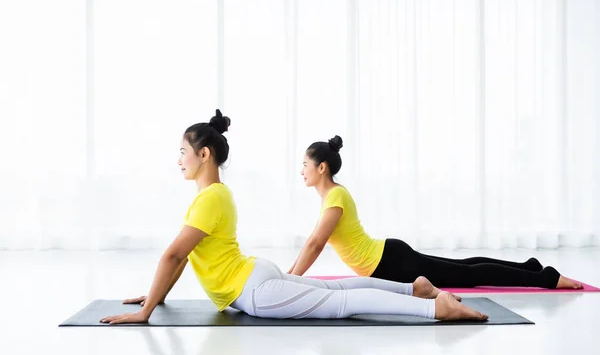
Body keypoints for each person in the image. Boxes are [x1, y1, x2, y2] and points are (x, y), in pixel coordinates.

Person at [100, 111, 488, 325]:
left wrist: (146, 312)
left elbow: (172, 256)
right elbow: (181, 257)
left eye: (182, 151)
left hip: (253, 291)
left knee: (338, 305)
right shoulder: (215, 195)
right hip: (255, 275)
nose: (178, 159)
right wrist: (154, 296)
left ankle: (434, 308)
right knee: (334, 293)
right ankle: (413, 289)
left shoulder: (208, 199)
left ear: (204, 155)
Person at [289, 135, 583, 290]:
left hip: (389, 263)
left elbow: (315, 243)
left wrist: (289, 279)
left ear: (321, 167)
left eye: (305, 164)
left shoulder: (335, 196)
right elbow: (312, 243)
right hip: (389, 257)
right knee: (463, 266)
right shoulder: (331, 196)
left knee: (466, 275)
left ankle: (546, 278)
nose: (301, 170)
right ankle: (528, 266)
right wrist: (288, 275)